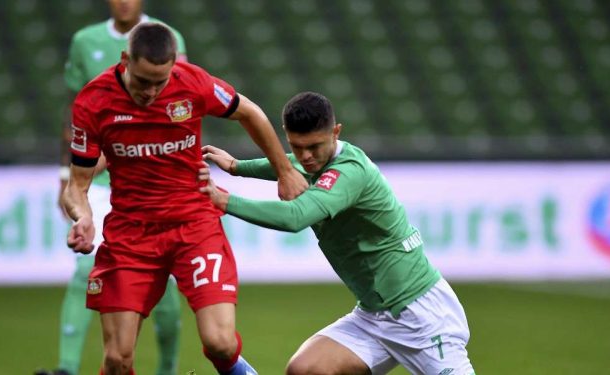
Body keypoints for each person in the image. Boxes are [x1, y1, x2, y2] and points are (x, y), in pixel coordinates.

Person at [62, 23, 308, 375]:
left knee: (220, 343)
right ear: (124, 59)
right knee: (117, 360)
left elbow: (249, 112)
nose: (150, 92)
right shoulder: (94, 101)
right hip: (131, 235)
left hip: (194, 225)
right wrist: (82, 216)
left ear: (173, 65)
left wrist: (284, 170)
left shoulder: (192, 83)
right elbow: (78, 184)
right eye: (142, 81)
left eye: (159, 82)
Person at [199, 92, 475, 375]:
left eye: (315, 146)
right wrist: (237, 167)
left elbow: (296, 216)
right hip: (373, 316)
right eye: (297, 145)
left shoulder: (349, 171)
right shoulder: (313, 161)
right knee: (306, 369)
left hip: (420, 314)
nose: (306, 156)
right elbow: (289, 164)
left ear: (336, 132)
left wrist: (223, 200)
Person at [38, 2, 188, 375]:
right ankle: (67, 368)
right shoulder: (84, 41)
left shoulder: (166, 38)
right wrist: (66, 174)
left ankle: (167, 369)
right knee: (85, 268)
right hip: (101, 178)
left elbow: (182, 104)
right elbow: (74, 112)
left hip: (152, 178)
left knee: (164, 284)